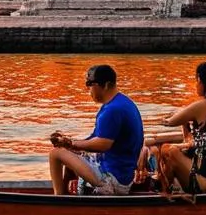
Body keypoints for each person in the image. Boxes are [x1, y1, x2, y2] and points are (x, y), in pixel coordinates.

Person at [48, 64, 144, 195]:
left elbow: (102, 144)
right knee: (68, 151)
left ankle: (58, 199)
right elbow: (95, 138)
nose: (89, 90)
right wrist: (69, 143)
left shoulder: (113, 110)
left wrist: (72, 143)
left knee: (56, 154)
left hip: (114, 178)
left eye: (90, 84)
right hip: (118, 172)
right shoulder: (120, 103)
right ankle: (68, 195)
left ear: (105, 85)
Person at [158, 61, 206, 194]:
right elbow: (198, 142)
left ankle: (164, 194)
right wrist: (185, 121)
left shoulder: (202, 105)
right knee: (178, 154)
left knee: (167, 150)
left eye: (196, 80)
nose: (195, 84)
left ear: (201, 81)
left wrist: (165, 118)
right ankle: (170, 191)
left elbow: (169, 122)